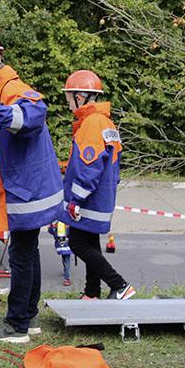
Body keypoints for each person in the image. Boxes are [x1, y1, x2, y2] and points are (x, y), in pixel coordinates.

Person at [0, 36, 63, 343]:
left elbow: (32, 116)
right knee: (28, 253)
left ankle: (16, 325)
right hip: (25, 189)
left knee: (20, 255)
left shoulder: (11, 91)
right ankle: (27, 318)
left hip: (28, 192)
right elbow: (1, 155)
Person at [59, 70, 134, 300]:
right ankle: (92, 292)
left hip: (89, 198)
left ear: (79, 97)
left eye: (68, 97)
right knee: (90, 241)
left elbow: (89, 167)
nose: (68, 103)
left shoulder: (91, 123)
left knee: (77, 243)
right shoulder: (105, 122)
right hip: (102, 195)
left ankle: (120, 285)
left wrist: (75, 200)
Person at [48, 221, 73, 286]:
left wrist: (51, 225)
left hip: (60, 246)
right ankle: (66, 279)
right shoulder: (68, 224)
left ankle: (65, 271)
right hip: (68, 245)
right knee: (67, 260)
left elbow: (50, 231)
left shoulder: (57, 225)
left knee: (64, 259)